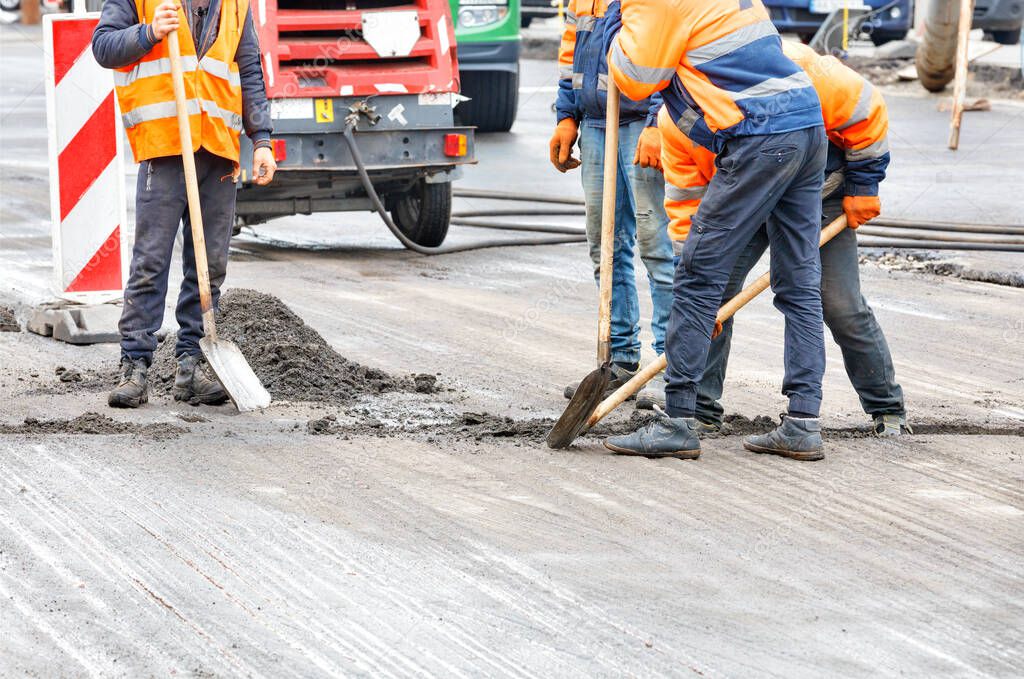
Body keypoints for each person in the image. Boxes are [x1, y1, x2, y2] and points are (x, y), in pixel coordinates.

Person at [601, 0, 830, 461]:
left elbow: (636, 77)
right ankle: (803, 423)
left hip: (759, 136)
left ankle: (680, 420)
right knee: (799, 282)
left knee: (697, 276)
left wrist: (614, 19)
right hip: (804, 125)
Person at [668, 42, 910, 439]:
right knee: (713, 298)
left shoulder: (799, 71)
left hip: (817, 196)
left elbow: (865, 108)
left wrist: (864, 184)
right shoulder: (679, 120)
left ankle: (886, 406)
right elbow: (687, 207)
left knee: (838, 302)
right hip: (742, 203)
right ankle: (700, 409)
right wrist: (694, 288)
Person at [93, 0, 276, 408]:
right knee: (151, 260)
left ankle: (190, 366)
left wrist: (261, 139)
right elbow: (103, 47)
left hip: (217, 149)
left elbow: (248, 72)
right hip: (164, 146)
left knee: (210, 265)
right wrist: (149, 32)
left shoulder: (235, 5)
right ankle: (135, 365)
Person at [550, 0, 675, 409]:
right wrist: (567, 117)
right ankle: (619, 359)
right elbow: (570, 55)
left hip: (642, 123)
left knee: (657, 246)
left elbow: (672, 50)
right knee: (605, 246)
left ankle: (670, 366)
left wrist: (659, 122)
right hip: (596, 123)